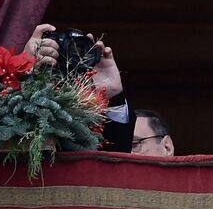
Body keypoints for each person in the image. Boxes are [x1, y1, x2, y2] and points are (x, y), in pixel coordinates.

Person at [23, 24, 135, 153]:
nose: (75, 53)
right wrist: (24, 69)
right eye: (70, 46)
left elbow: (115, 163)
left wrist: (113, 99)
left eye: (80, 48)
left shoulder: (89, 105)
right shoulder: (27, 76)